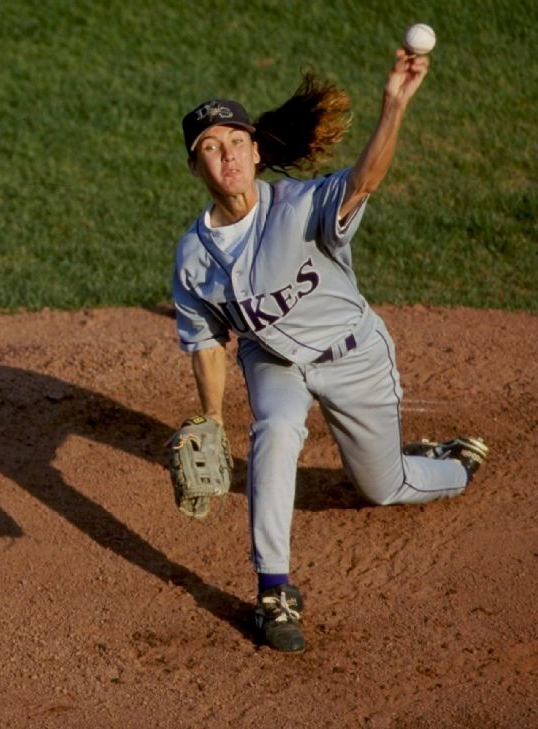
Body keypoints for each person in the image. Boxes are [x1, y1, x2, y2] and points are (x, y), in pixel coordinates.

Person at [171, 48, 488, 653]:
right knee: (276, 429)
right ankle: (274, 591)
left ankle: (453, 465)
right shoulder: (192, 257)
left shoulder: (299, 205)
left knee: (382, 486)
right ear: (195, 166)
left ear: (257, 150)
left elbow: (365, 177)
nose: (226, 155)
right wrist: (212, 416)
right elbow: (207, 340)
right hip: (274, 362)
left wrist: (393, 106)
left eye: (235, 141)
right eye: (209, 146)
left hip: (354, 358)